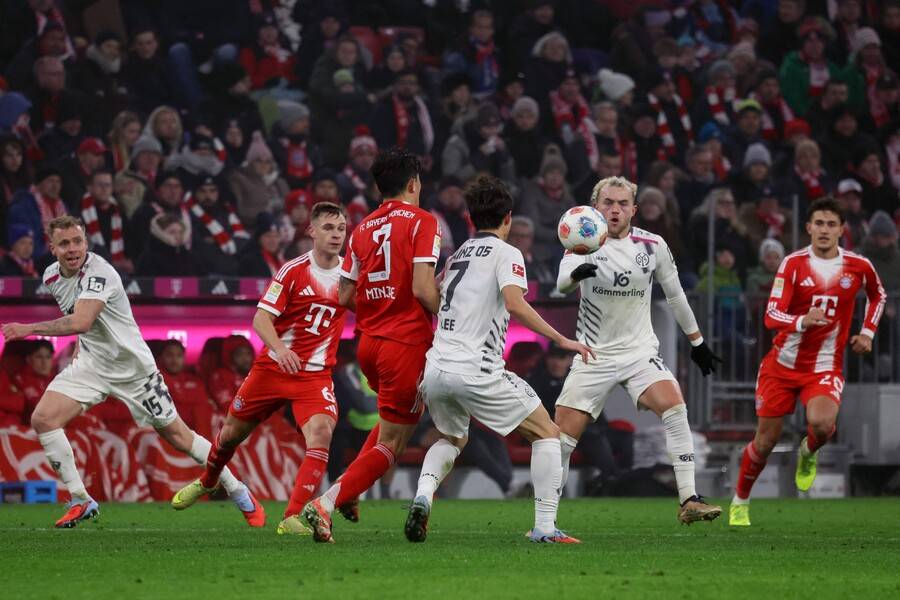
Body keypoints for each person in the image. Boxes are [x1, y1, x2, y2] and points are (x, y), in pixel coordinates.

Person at [0, 216, 263, 528]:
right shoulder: (51, 276)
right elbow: (83, 321)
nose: (72, 249)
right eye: (64, 243)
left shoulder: (100, 273)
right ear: (52, 247)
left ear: (86, 242)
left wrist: (28, 329)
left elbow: (81, 321)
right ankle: (81, 499)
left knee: (179, 437)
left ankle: (238, 490)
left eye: (78, 241)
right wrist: (84, 350)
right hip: (92, 366)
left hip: (135, 371)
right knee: (43, 419)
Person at [406, 175, 592, 544]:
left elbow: (432, 294)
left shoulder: (457, 255)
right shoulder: (508, 254)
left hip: (437, 368)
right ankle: (544, 528)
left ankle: (423, 495)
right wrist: (560, 338)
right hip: (477, 368)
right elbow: (514, 303)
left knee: (452, 438)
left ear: (471, 218)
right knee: (547, 433)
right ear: (508, 218)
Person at [554, 176, 723, 524]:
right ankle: (545, 521)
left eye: (622, 204)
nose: (615, 210)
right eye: (608, 203)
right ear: (595, 208)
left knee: (675, 407)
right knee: (561, 440)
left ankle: (689, 499)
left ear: (634, 209)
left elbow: (676, 296)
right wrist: (577, 275)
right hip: (593, 355)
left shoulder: (653, 244)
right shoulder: (581, 242)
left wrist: (698, 343)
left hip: (639, 353)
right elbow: (561, 286)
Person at [173, 202, 349, 536]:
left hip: (314, 375)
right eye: (328, 227)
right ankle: (209, 480)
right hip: (273, 368)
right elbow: (261, 318)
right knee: (230, 435)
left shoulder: (350, 274)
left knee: (322, 433)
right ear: (311, 231)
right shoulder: (292, 271)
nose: (336, 234)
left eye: (341, 228)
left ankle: (292, 516)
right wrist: (280, 349)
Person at [301, 147, 441, 544]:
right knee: (395, 441)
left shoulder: (362, 228)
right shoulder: (423, 221)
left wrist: (379, 304)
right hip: (405, 344)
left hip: (368, 345)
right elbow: (422, 289)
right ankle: (325, 503)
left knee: (390, 423)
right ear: (413, 183)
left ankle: (350, 489)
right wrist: (450, 315)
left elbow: (344, 295)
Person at [730, 197, 886, 526]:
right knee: (766, 441)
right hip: (781, 365)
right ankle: (740, 500)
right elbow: (771, 315)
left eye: (831, 224)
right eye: (819, 224)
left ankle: (808, 452)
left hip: (824, 365)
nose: (825, 230)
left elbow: (878, 295)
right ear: (809, 228)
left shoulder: (858, 266)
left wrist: (867, 332)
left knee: (822, 425)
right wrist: (802, 320)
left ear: (842, 230)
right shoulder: (793, 264)